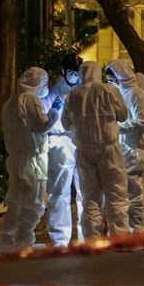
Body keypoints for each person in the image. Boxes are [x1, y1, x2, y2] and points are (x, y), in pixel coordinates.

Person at [63, 61, 131, 238]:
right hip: (109, 149)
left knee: (90, 198)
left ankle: (92, 239)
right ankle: (120, 238)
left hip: (84, 150)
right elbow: (123, 116)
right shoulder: (110, 91)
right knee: (116, 195)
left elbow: (65, 123)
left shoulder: (73, 94)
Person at [0, 67, 61, 253]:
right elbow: (41, 125)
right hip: (32, 161)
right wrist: (55, 112)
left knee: (15, 203)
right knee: (33, 204)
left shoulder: (10, 103)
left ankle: (7, 241)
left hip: (15, 160)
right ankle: (24, 242)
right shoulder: (31, 100)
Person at [106, 60, 144, 233]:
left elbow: (142, 123)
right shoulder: (121, 94)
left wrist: (117, 127)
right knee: (125, 195)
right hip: (125, 150)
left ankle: (138, 232)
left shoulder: (138, 95)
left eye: (111, 79)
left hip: (136, 151)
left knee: (135, 196)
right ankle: (131, 232)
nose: (109, 83)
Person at [44, 55, 83, 247]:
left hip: (80, 142)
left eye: (77, 72)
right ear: (63, 72)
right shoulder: (53, 93)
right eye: (71, 72)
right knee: (60, 191)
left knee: (86, 191)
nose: (75, 76)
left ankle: (87, 235)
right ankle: (60, 239)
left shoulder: (83, 90)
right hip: (60, 142)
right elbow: (45, 119)